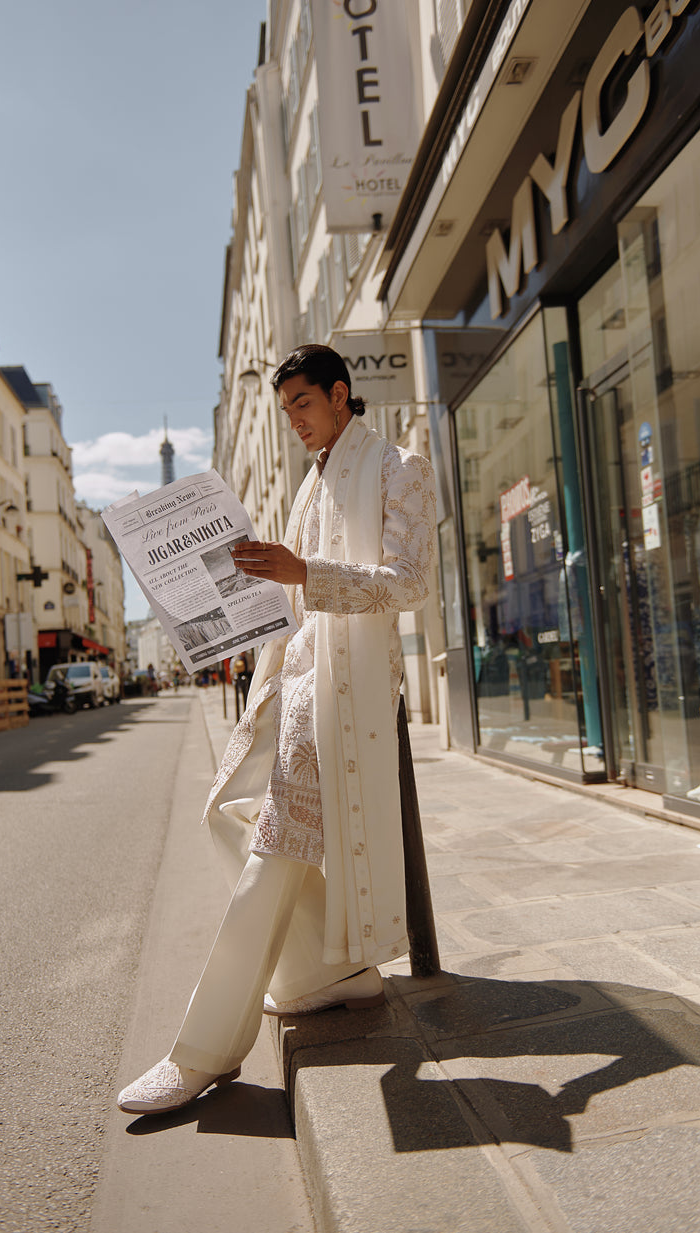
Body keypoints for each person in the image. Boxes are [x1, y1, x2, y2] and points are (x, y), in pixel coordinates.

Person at [117, 343, 437, 1115]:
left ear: (339, 393)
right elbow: (289, 598)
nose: (293, 419)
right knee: (223, 813)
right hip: (285, 687)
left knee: (270, 849)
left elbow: (411, 583)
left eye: (301, 403)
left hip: (344, 694)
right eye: (284, 407)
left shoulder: (400, 465)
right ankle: (333, 971)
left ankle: (201, 1051)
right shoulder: (312, 481)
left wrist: (302, 575)